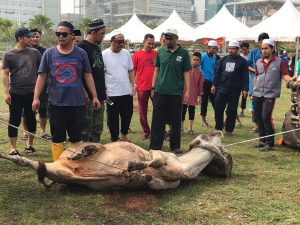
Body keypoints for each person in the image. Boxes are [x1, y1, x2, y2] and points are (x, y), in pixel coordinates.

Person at [32, 21, 100, 161]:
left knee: (76, 137)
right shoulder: (49, 54)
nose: (60, 36)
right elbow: (42, 76)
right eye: (58, 34)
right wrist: (36, 97)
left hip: (77, 104)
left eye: (64, 34)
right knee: (57, 138)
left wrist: (94, 96)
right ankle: (59, 166)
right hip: (56, 104)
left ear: (72, 36)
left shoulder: (81, 53)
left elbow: (87, 75)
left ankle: (74, 166)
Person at [150, 28, 191, 154]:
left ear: (176, 38)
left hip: (176, 92)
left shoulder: (184, 53)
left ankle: (175, 146)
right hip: (160, 90)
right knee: (157, 119)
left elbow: (186, 73)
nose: (167, 40)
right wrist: (153, 87)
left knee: (175, 120)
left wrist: (187, 90)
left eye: (170, 38)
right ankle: (156, 145)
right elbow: (156, 70)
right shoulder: (161, 51)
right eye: (166, 38)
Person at [2, 27, 41, 155]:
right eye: (29, 37)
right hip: (15, 93)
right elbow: (5, 74)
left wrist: (38, 94)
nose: (32, 39)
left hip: (31, 92)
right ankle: (13, 148)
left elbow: (41, 73)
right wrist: (6, 92)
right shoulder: (8, 55)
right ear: (20, 38)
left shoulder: (35, 53)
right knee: (14, 120)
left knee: (30, 119)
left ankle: (29, 145)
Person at [252, 39, 296, 151]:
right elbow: (256, 77)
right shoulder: (258, 62)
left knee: (266, 117)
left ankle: (270, 143)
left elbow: (285, 75)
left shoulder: (279, 62)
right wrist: (253, 91)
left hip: (270, 94)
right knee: (258, 117)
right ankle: (262, 141)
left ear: (272, 49)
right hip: (257, 93)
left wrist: (291, 81)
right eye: (262, 48)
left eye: (266, 48)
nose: (264, 50)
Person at [102, 30, 135, 142]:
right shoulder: (104, 54)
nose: (121, 44)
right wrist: (104, 91)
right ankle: (114, 139)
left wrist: (133, 85)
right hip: (111, 92)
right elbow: (102, 74)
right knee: (113, 118)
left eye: (123, 42)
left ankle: (124, 135)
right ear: (111, 41)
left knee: (127, 114)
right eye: (119, 42)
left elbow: (130, 70)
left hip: (126, 91)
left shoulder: (126, 53)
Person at [77, 19, 106, 143]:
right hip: (86, 97)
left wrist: (104, 92)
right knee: (84, 129)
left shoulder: (97, 48)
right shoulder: (80, 48)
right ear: (93, 32)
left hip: (99, 95)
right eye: (102, 33)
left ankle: (95, 154)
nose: (103, 36)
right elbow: (78, 75)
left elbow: (99, 72)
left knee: (97, 128)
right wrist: (85, 93)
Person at [211, 40, 248, 135]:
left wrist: (245, 89)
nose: (230, 50)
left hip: (234, 90)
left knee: (232, 110)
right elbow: (217, 73)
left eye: (232, 49)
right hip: (222, 88)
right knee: (218, 108)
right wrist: (214, 85)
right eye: (229, 49)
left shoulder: (243, 62)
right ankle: (218, 127)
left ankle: (229, 129)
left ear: (237, 49)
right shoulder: (223, 60)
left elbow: (245, 76)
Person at [132, 33, 156, 140]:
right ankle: (146, 131)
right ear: (144, 42)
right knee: (142, 111)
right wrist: (133, 83)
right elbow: (133, 70)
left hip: (155, 87)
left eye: (152, 43)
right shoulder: (137, 54)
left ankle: (159, 130)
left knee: (158, 110)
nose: (151, 45)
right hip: (142, 86)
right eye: (149, 43)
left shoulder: (156, 54)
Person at [248, 32, 269, 133]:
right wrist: (256, 71)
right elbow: (247, 65)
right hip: (254, 80)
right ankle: (257, 125)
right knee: (254, 104)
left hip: (267, 82)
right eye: (261, 42)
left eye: (264, 43)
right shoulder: (253, 52)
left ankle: (264, 125)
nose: (262, 45)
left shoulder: (271, 53)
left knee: (265, 104)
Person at [181, 51, 203, 135]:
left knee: (192, 111)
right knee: (183, 111)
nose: (195, 61)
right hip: (184, 93)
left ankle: (190, 128)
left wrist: (200, 95)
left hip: (194, 95)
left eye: (197, 60)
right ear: (191, 59)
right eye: (194, 59)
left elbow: (200, 85)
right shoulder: (185, 69)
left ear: (200, 61)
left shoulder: (200, 72)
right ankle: (181, 128)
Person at [200, 40, 218, 127]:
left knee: (215, 102)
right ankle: (204, 121)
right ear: (209, 48)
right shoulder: (203, 57)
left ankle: (217, 120)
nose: (215, 50)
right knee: (204, 102)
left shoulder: (215, 57)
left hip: (213, 82)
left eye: (216, 48)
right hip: (204, 82)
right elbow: (199, 68)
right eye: (213, 48)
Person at [239, 42, 249, 117]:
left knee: (244, 95)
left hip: (247, 78)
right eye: (243, 49)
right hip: (239, 78)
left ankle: (242, 110)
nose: (244, 51)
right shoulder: (239, 56)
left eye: (245, 49)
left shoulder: (250, 57)